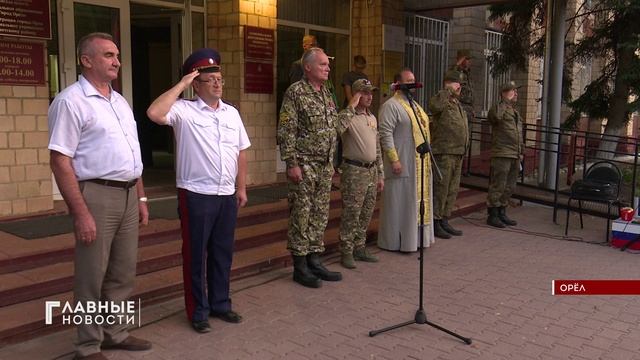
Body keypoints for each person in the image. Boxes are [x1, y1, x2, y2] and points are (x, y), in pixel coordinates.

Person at [48, 32, 151, 360]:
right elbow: (60, 160)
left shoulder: (119, 101)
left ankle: (115, 332)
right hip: (96, 195)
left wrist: (142, 198)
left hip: (128, 194)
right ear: (86, 60)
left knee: (123, 271)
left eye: (117, 55)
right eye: (108, 55)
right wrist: (80, 212)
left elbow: (131, 155)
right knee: (92, 275)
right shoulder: (70, 101)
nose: (117, 61)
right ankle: (87, 345)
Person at [146, 48, 250, 333]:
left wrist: (241, 188)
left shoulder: (232, 113)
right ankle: (198, 311)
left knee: (222, 253)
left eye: (219, 78)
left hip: (226, 194)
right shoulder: (183, 110)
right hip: (196, 194)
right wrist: (181, 84)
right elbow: (154, 112)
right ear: (196, 84)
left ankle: (220, 304)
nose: (217, 83)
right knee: (195, 256)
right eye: (210, 79)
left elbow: (241, 152)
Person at [278, 47, 343, 288]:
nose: (328, 68)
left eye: (328, 64)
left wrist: (333, 161)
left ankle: (315, 259)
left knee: (319, 214)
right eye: (323, 64)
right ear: (308, 67)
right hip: (304, 166)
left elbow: (331, 127)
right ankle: (300, 265)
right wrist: (292, 163)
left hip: (324, 166)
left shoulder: (326, 93)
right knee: (301, 214)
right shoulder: (295, 93)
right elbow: (286, 130)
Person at [377, 68, 435, 252]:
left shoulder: (415, 105)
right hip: (402, 162)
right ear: (398, 83)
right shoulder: (391, 105)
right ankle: (396, 241)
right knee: (400, 204)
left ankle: (416, 240)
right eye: (409, 80)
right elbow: (385, 134)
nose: (413, 83)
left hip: (419, 163)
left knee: (415, 204)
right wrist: (394, 159)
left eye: (414, 79)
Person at [337, 79, 384, 269]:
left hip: (371, 170)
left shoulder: (372, 118)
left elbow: (377, 147)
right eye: (364, 93)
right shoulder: (347, 116)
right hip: (354, 170)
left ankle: (359, 247)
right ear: (356, 95)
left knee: (366, 211)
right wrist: (350, 106)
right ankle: (346, 250)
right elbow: (336, 129)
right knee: (352, 212)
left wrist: (381, 174)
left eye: (371, 92)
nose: (369, 96)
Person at [428, 70, 470, 239]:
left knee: (452, 190)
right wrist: (447, 90)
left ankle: (445, 219)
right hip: (444, 152)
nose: (460, 88)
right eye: (458, 84)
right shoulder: (442, 100)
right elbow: (434, 106)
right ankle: (436, 221)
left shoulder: (457, 104)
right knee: (441, 189)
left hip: (457, 152)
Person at [486, 81, 523, 228]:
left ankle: (502, 211)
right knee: (498, 185)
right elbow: (495, 118)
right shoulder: (498, 108)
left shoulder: (515, 112)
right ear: (504, 93)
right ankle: (493, 214)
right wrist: (505, 100)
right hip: (502, 153)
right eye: (513, 91)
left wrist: (521, 151)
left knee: (510, 186)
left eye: (515, 91)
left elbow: (519, 134)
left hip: (514, 154)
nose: (516, 94)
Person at [451, 49, 475, 121]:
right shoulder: (456, 72)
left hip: (469, 109)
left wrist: (472, 108)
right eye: (467, 59)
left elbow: (471, 92)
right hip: (460, 107)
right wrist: (458, 63)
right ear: (461, 59)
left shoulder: (467, 73)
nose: (469, 61)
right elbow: (450, 76)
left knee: (468, 131)